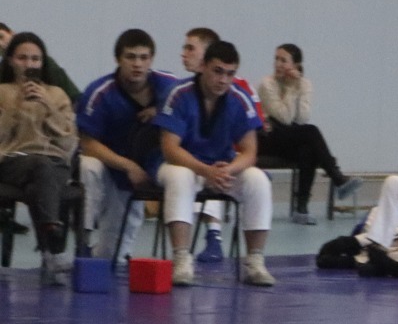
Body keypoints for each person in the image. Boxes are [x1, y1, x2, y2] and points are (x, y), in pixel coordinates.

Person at [153, 40, 276, 287]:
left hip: (220, 168)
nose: (223, 80)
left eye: (230, 74)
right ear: (203, 67)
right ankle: (181, 259)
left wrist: (227, 171)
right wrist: (205, 171)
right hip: (181, 165)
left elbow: (250, 152)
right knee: (180, 176)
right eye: (217, 71)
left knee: (258, 180)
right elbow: (170, 149)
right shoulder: (178, 94)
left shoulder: (240, 99)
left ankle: (255, 261)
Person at [76, 29, 178, 265]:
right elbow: (87, 143)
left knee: (112, 256)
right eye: (130, 57)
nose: (137, 64)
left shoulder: (170, 87)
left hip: (145, 168)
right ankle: (83, 237)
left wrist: (160, 111)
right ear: (118, 59)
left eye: (143, 57)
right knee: (88, 166)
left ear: (151, 60)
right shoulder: (100, 93)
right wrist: (127, 166)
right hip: (109, 164)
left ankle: (103, 256)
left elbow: (186, 114)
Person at [180, 27, 264, 264]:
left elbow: (251, 141)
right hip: (195, 162)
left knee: (228, 170)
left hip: (229, 157)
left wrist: (226, 168)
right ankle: (184, 254)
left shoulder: (240, 92)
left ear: (205, 56)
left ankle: (222, 239)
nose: (184, 54)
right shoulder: (179, 91)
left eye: (190, 48)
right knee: (188, 172)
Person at [0, 33, 78, 285]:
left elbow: (68, 140)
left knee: (40, 179)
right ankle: (54, 245)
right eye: (22, 58)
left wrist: (48, 106)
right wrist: (15, 108)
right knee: (39, 165)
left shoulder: (57, 94)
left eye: (35, 59)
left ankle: (49, 247)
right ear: (10, 60)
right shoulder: (2, 92)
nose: (29, 64)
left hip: (53, 162)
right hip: (13, 160)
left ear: (43, 63)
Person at [256, 44, 358, 224]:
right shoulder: (267, 84)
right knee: (311, 132)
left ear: (296, 66)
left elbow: (302, 118)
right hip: (268, 137)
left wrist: (298, 87)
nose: (278, 64)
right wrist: (291, 89)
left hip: (291, 137)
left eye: (283, 60)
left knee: (308, 150)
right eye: (276, 59)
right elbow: (285, 118)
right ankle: (337, 177)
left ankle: (301, 210)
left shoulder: (305, 84)